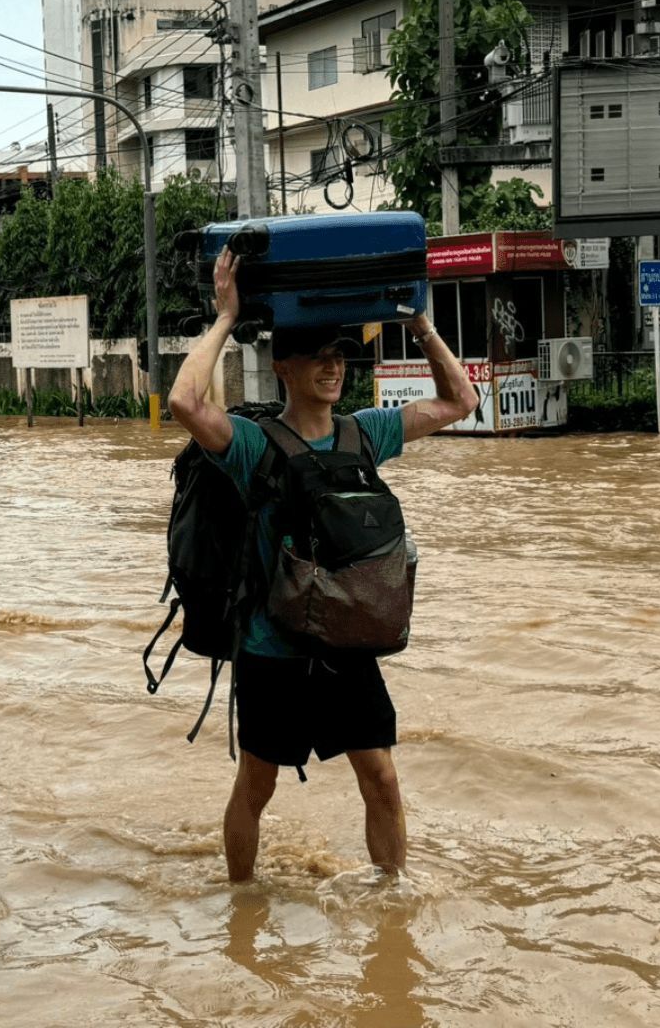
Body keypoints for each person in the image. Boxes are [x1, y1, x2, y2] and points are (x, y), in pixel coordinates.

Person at [167, 249, 478, 883]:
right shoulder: (251, 444)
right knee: (257, 784)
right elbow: (183, 401)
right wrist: (226, 318)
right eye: (317, 355)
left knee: (382, 777)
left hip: (348, 647)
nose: (333, 365)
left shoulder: (365, 433)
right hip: (272, 652)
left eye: (338, 354)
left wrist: (419, 323)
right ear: (283, 367)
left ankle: (391, 901)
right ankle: (242, 901)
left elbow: (460, 400)